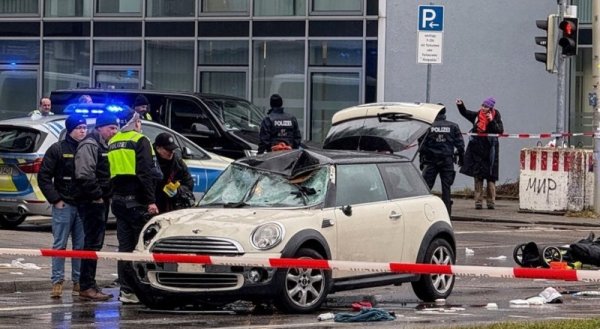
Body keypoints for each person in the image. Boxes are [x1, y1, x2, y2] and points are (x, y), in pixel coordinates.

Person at [108, 110, 159, 304]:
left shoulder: (113, 142)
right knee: (142, 247)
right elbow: (145, 173)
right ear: (135, 122)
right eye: (139, 121)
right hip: (137, 201)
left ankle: (127, 290)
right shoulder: (140, 140)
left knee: (125, 248)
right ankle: (143, 289)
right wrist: (151, 201)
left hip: (119, 200)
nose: (141, 124)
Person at [38, 114, 87, 299]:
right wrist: (56, 199)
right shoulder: (57, 149)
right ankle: (57, 282)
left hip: (82, 205)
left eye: (84, 127)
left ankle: (78, 282)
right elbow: (44, 177)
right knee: (59, 245)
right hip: (64, 205)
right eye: (79, 128)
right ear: (70, 129)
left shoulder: (88, 148)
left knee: (80, 246)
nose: (82, 131)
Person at [74, 112, 120, 301]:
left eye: (116, 128)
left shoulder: (103, 144)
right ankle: (87, 285)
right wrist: (98, 196)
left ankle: (89, 284)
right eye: (111, 128)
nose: (114, 132)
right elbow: (84, 174)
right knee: (91, 244)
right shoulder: (91, 144)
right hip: (91, 202)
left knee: (95, 244)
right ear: (100, 127)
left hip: (99, 200)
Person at [456, 97, 504, 210]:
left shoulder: (496, 116)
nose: (483, 108)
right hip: (477, 150)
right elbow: (465, 112)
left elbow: (499, 131)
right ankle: (478, 202)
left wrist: (491, 120)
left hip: (491, 151)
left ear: (491, 108)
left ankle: (491, 202)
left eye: (486, 106)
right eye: (482, 105)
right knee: (478, 176)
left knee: (491, 177)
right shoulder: (477, 115)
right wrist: (460, 105)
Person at [419, 105, 465, 217]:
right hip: (447, 161)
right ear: (444, 113)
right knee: (446, 189)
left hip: (430, 161)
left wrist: (422, 160)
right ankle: (447, 215)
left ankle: (423, 214)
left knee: (426, 188)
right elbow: (460, 146)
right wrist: (461, 159)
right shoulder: (453, 126)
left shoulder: (428, 126)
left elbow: (421, 146)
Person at [154, 132, 195, 213]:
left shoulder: (177, 162)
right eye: (168, 149)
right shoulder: (149, 160)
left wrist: (177, 190)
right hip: (153, 205)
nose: (171, 152)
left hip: (171, 206)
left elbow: (189, 184)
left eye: (172, 149)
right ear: (158, 148)